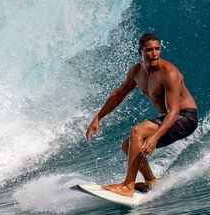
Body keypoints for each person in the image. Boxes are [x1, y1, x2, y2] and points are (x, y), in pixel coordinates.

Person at [85, 32, 199, 197]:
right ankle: (151, 182)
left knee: (137, 131)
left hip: (185, 117)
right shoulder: (137, 71)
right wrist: (98, 117)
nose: (154, 53)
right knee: (128, 145)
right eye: (149, 50)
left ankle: (127, 186)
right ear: (141, 52)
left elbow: (173, 111)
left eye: (157, 49)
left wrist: (155, 137)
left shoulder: (169, 73)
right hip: (169, 117)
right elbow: (119, 94)